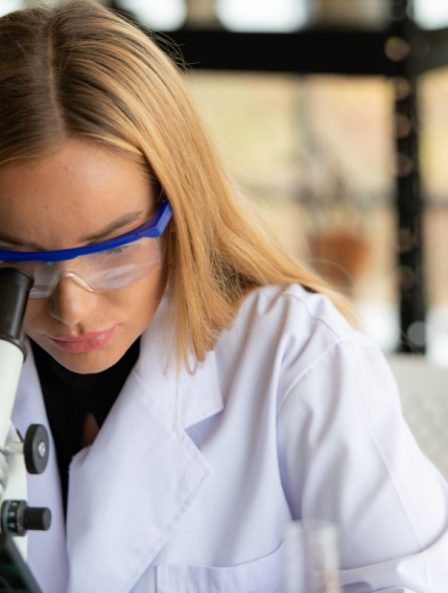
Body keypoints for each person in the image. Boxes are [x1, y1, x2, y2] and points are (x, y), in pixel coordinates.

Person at [0, 1, 446, 592]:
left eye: (113, 250)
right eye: (22, 260)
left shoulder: (296, 359)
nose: (72, 309)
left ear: (182, 210)